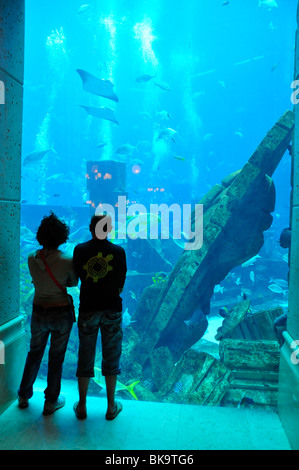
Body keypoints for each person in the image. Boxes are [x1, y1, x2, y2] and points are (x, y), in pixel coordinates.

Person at [18, 212, 78, 415]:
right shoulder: (67, 260)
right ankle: (50, 401)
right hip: (60, 312)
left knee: (34, 354)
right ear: (62, 237)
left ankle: (23, 395)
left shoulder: (31, 258)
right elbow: (72, 283)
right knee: (56, 357)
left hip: (38, 311)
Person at [73, 214, 127, 420]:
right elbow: (121, 283)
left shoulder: (80, 250)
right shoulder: (119, 252)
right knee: (111, 356)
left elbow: (77, 277)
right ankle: (111, 406)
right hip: (112, 310)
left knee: (85, 355)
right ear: (109, 229)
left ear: (90, 228)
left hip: (88, 309)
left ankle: (83, 405)